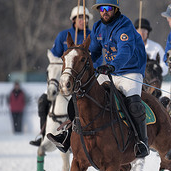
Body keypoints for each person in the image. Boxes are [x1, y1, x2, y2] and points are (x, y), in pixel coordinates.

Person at [48, 0, 149, 159]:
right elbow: (93, 52)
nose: (104, 12)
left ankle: (141, 141)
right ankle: (67, 135)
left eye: (108, 8)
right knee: (81, 95)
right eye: (101, 9)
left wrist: (112, 65)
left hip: (130, 71)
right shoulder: (97, 28)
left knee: (134, 104)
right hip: (109, 70)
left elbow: (125, 52)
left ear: (115, 9)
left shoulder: (125, 27)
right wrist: (86, 68)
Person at [30, 5, 95, 146]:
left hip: (86, 79)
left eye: (85, 18)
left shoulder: (92, 36)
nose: (83, 20)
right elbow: (54, 58)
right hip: (65, 77)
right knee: (43, 101)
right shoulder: (63, 36)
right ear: (73, 19)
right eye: (80, 17)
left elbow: (97, 57)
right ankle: (42, 134)